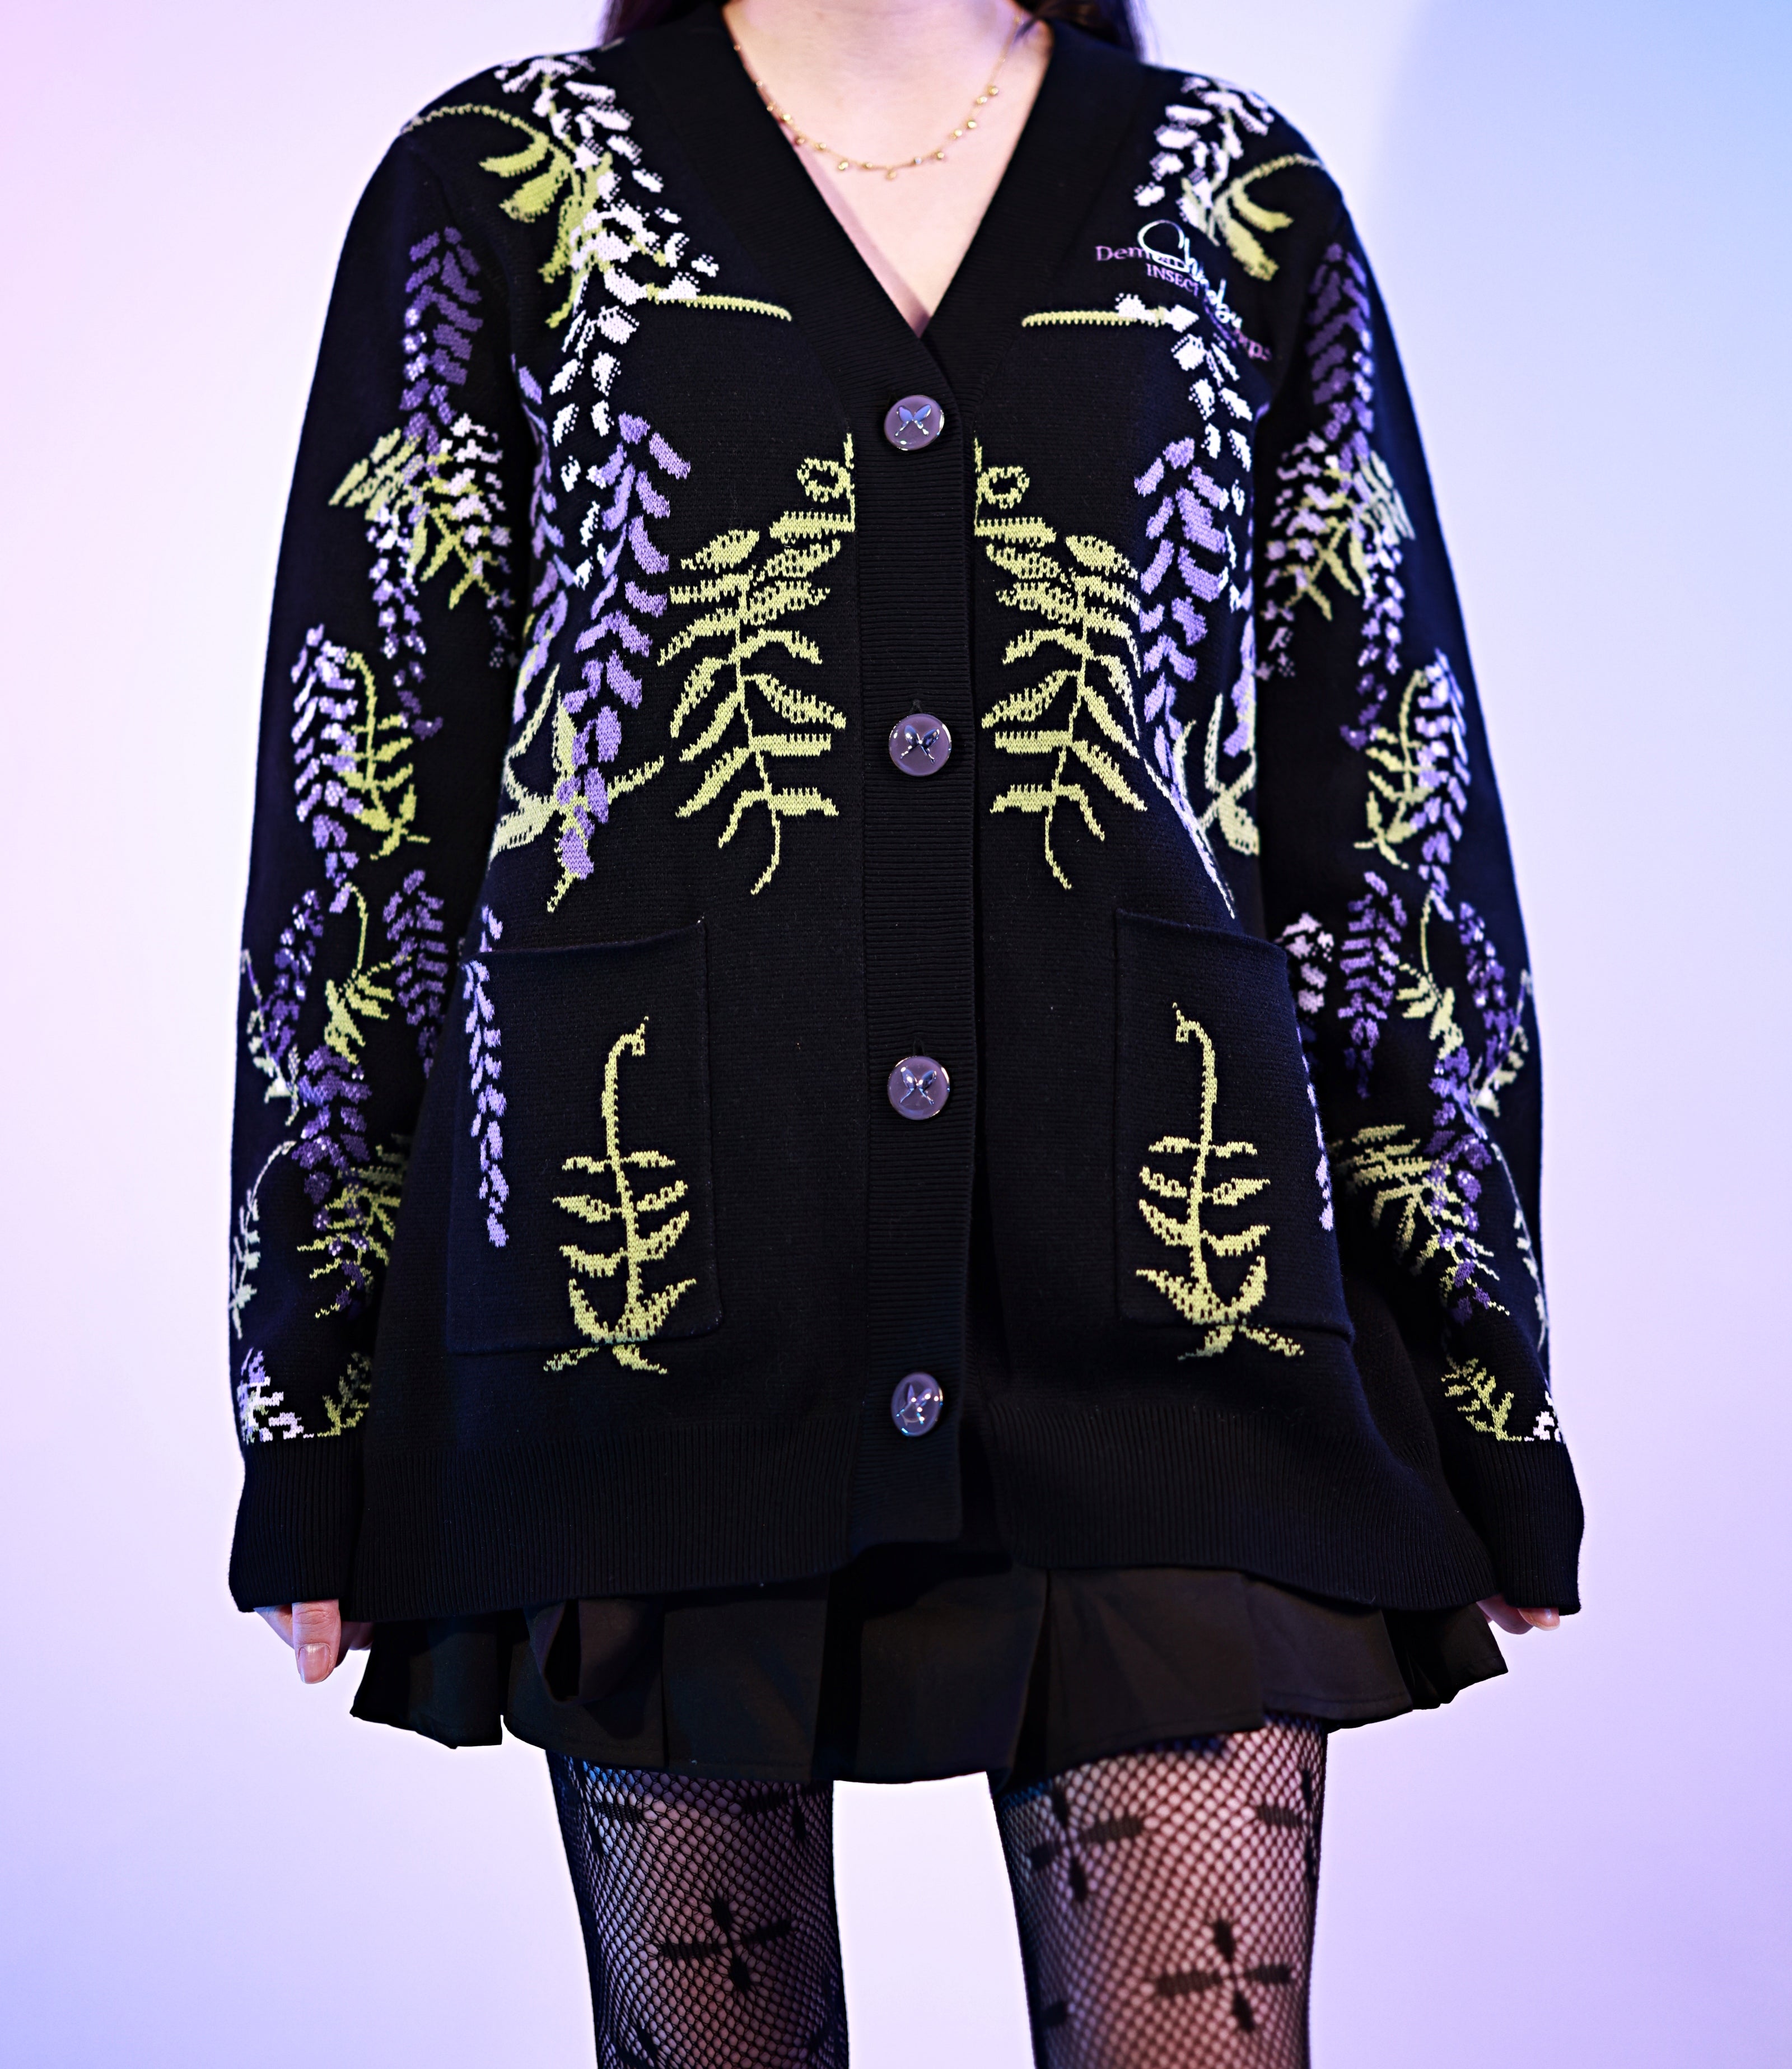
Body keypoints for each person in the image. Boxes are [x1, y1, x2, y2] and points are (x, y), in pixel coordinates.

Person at [228, 0, 1582, 2059]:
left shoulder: (1235, 202)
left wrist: (1486, 1378)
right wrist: (308, 1413)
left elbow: (1382, 797)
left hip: (1176, 1331)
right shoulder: (502, 193)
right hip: (651, 1333)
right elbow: (365, 814)